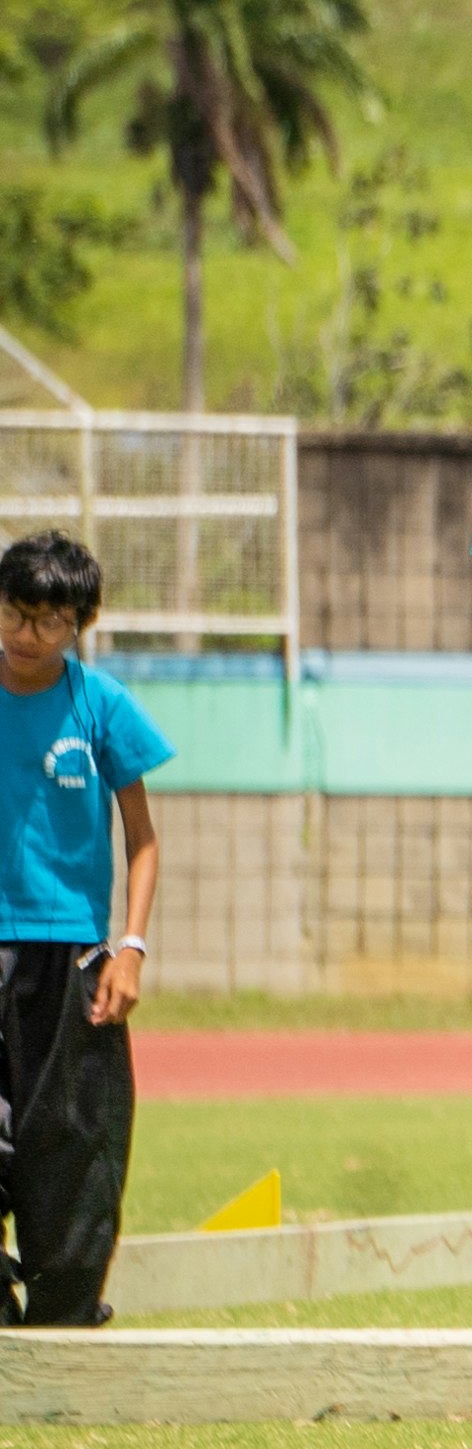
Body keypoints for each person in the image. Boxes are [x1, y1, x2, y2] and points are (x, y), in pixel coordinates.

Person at [0, 529, 162, 1332]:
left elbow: (145, 841)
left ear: (78, 626)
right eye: (16, 613)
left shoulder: (99, 704)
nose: (28, 635)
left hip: (69, 952)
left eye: (49, 621)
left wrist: (129, 947)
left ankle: (62, 1319)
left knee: (69, 1138)